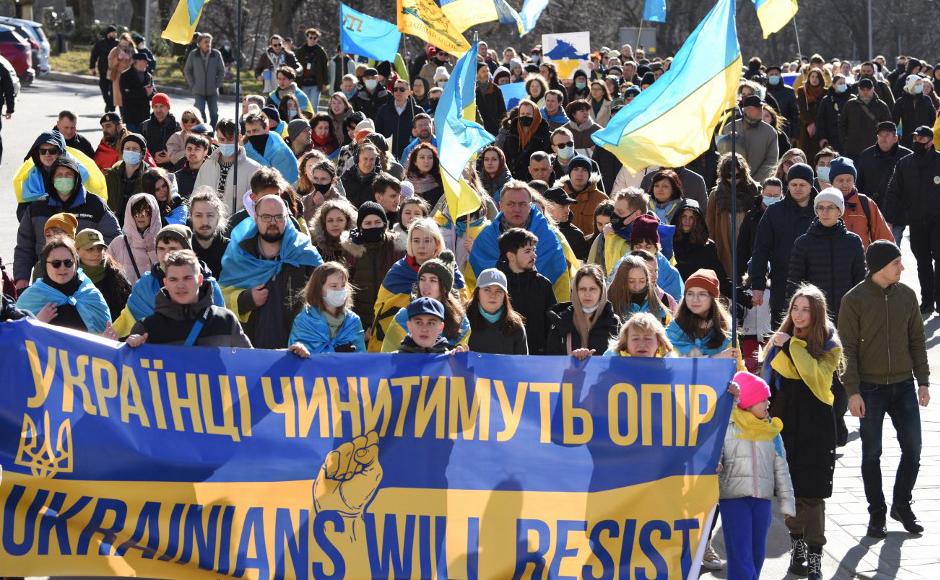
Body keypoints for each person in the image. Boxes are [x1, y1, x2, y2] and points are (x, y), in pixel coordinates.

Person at [839, 240, 929, 538]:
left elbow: (917, 340)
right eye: (896, 263)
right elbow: (847, 350)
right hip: (869, 389)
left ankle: (901, 504)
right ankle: (876, 513)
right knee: (871, 454)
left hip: (903, 385)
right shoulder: (854, 300)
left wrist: (923, 381)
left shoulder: (907, 295)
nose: (902, 268)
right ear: (879, 267)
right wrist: (852, 391)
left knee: (913, 449)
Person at [764, 285, 842, 580]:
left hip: (816, 425)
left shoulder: (831, 345)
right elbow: (775, 372)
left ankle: (815, 554)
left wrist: (790, 346)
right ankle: (796, 546)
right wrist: (783, 347)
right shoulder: (781, 339)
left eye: (805, 309)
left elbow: (815, 377)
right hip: (784, 422)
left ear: (817, 313)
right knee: (788, 491)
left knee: (813, 495)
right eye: (795, 308)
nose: (798, 315)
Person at [718, 371, 796, 580]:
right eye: (763, 399)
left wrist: (787, 504)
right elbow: (715, 455)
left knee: (757, 554)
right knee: (740, 556)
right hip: (733, 501)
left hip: (762, 501)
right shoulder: (728, 427)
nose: (768, 403)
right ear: (748, 402)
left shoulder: (771, 432)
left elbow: (782, 468)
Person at [218, 195, 323, 349]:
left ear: (287, 217)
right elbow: (220, 297)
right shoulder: (240, 252)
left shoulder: (304, 252)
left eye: (279, 217)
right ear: (256, 217)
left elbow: (324, 297)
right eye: (266, 217)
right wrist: (246, 299)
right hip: (250, 352)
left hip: (297, 350)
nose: (273, 222)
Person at [15, 157, 120, 289]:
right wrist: (21, 278)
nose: (63, 178)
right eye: (59, 175)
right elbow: (24, 247)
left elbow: (114, 239)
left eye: (68, 175)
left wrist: (90, 255)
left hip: (89, 280)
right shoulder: (37, 207)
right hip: (45, 278)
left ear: (76, 178)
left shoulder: (95, 205)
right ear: (52, 179)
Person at [468, 180, 576, 303]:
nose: (517, 209)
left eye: (522, 204)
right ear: (500, 206)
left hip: (539, 312)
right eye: (511, 204)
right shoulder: (485, 238)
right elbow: (471, 283)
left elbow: (560, 278)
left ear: (530, 207)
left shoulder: (549, 237)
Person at [111, 224, 226, 336]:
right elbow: (126, 321)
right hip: (155, 353)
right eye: (161, 249)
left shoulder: (209, 286)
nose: (165, 254)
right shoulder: (145, 285)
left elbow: (221, 329)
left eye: (172, 249)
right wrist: (109, 337)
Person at [367, 218, 464, 351]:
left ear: (437, 243)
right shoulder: (398, 272)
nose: (421, 246)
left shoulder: (450, 269)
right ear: (410, 243)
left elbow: (461, 306)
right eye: (416, 240)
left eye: (427, 240)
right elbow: (381, 310)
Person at [125, 249, 250, 348]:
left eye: (187, 278)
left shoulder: (225, 320)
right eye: (173, 279)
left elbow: (250, 365)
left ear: (200, 280)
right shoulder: (147, 328)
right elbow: (129, 372)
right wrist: (133, 347)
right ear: (165, 283)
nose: (180, 285)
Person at [749, 163, 817, 328]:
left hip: (817, 282)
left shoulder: (822, 210)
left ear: (811, 185)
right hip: (782, 283)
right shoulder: (774, 212)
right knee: (782, 332)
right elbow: (761, 250)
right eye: (793, 184)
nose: (798, 188)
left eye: (802, 185)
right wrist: (758, 284)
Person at [885, 125, 940, 317]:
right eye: (915, 139)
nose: (917, 142)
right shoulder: (904, 164)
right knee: (923, 261)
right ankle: (927, 301)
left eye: (922, 140)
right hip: (916, 221)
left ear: (931, 141)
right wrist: (889, 218)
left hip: (938, 221)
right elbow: (894, 191)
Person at [787, 188, 866, 319]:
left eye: (830, 207)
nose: (825, 212)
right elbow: (795, 283)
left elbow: (860, 280)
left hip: (847, 313)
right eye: (820, 207)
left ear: (839, 211)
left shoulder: (853, 241)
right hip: (814, 314)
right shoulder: (804, 242)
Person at [16, 235, 111, 336]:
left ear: (76, 263)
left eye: (68, 263)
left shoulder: (89, 293)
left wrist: (107, 340)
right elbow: (16, 339)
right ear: (45, 265)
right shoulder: (32, 297)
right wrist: (36, 323)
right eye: (56, 263)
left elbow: (105, 338)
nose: (62, 268)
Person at [380, 250, 469, 352]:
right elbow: (387, 359)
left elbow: (460, 363)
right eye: (422, 279)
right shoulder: (403, 316)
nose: (426, 285)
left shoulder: (461, 322)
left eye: (433, 280)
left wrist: (459, 355)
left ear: (445, 287)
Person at [341, 201, 405, 343]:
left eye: (377, 222)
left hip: (392, 319)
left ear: (384, 223)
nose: (373, 226)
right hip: (360, 321)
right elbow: (346, 287)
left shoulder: (397, 247)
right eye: (367, 223)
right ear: (360, 226)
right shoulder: (352, 250)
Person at [495, 228, 556, 355]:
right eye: (527, 251)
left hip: (537, 360)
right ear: (511, 256)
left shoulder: (543, 285)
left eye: (534, 250)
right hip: (503, 360)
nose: (534, 255)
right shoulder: (496, 286)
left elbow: (552, 326)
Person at [287, 261, 365, 357]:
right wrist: (299, 349)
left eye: (343, 285)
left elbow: (361, 360)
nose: (340, 290)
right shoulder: (304, 320)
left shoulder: (353, 321)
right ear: (319, 289)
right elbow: (293, 358)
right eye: (334, 286)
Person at [546, 263, 620, 358]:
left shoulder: (613, 322)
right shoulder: (561, 321)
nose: (587, 294)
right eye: (582, 289)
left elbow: (619, 359)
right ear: (575, 291)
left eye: (592, 289)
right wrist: (573, 361)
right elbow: (552, 361)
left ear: (602, 291)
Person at [665, 269, 741, 362]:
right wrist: (717, 358)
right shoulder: (674, 329)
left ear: (713, 299)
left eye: (702, 294)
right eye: (690, 294)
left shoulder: (727, 331)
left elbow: (738, 368)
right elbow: (676, 365)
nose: (695, 299)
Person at [707, 153, 760, 277]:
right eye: (728, 176)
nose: (733, 179)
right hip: (726, 243)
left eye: (737, 175)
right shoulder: (716, 194)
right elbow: (710, 225)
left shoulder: (754, 191)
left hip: (749, 243)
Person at [193, 119, 261, 213]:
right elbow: (196, 195)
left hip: (239, 225)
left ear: (239, 138)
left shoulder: (254, 169)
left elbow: (256, 204)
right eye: (221, 139)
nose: (225, 143)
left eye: (230, 139)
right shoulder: (207, 165)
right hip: (209, 223)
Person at [827, 156, 894, 248]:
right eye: (840, 180)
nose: (845, 184)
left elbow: (883, 236)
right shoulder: (824, 203)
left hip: (862, 260)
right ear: (832, 182)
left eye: (849, 180)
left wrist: (892, 259)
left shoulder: (866, 203)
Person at [672, 200, 730, 296]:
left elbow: (721, 280)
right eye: (684, 216)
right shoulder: (669, 243)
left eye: (691, 218)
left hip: (698, 297)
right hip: (675, 297)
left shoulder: (707, 247)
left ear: (697, 221)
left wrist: (743, 297)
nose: (687, 221)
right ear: (678, 218)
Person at [465, 268, 528, 354]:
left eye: (499, 291)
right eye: (487, 290)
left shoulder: (515, 325)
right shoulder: (463, 320)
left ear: (504, 296)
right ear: (477, 293)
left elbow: (522, 363)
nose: (493, 295)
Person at [74, 228, 131, 321]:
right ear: (77, 250)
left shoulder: (116, 274)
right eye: (90, 249)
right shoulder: (69, 276)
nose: (96, 253)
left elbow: (128, 308)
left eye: (100, 249)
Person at [737, 177, 784, 285]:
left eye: (776, 196)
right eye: (768, 195)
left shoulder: (787, 215)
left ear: (781, 194)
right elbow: (742, 248)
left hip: (779, 272)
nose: (772, 198)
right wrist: (739, 278)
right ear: (762, 193)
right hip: (754, 271)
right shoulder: (751, 216)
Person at [856, 121, 911, 212]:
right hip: (870, 210)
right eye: (880, 135)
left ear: (895, 138)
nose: (883, 138)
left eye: (887, 135)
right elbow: (859, 183)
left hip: (897, 212)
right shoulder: (866, 155)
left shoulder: (907, 156)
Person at [107, 193, 161, 284]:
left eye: (146, 212)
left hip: (155, 297)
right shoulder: (118, 243)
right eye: (136, 212)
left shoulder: (163, 243)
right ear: (130, 214)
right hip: (127, 297)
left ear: (154, 214)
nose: (140, 215)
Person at [722, 95, 778, 181]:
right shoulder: (730, 128)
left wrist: (754, 181)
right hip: (732, 183)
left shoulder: (770, 132)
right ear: (746, 110)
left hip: (759, 186)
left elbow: (771, 161)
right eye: (756, 107)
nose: (760, 110)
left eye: (761, 107)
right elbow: (723, 157)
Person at [496, 100, 552, 181]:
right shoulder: (510, 133)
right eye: (522, 114)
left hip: (537, 179)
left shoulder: (545, 135)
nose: (525, 116)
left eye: (528, 114)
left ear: (535, 115)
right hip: (514, 180)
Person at [607, 254, 671, 325]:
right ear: (622, 280)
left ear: (647, 280)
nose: (637, 286)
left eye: (642, 281)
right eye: (631, 281)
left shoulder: (657, 305)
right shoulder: (609, 302)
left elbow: (666, 329)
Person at [839, 78, 892, 159]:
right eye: (862, 89)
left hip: (875, 151)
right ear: (858, 90)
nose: (865, 92)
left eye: (868, 89)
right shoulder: (850, 105)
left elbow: (888, 127)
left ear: (873, 89)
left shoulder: (882, 106)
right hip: (852, 151)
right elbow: (842, 125)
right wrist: (845, 143)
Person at [242, 112, 300, 184]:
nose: (252, 135)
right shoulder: (244, 150)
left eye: (255, 131)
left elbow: (292, 177)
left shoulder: (281, 149)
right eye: (248, 132)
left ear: (266, 128)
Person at [557, 155, 608, 236]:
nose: (580, 174)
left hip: (591, 246)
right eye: (576, 169)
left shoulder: (601, 199)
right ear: (570, 173)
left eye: (584, 170)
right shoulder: (557, 195)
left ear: (589, 174)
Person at [375, 78, 425, 161]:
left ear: (409, 92)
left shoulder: (418, 111)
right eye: (395, 89)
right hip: (388, 156)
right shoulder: (383, 110)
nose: (398, 92)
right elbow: (377, 133)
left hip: (412, 156)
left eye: (402, 89)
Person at [183, 33, 225, 128]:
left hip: (213, 90)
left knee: (214, 114)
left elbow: (222, 70)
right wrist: (192, 84)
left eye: (209, 41)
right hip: (198, 90)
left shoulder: (216, 54)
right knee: (200, 112)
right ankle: (205, 129)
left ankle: (212, 129)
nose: (208, 44)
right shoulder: (193, 54)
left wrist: (218, 84)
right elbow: (187, 70)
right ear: (199, 43)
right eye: (206, 41)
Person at [396, 297, 463, 354]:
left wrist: (461, 365)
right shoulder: (393, 362)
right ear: (409, 326)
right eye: (418, 323)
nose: (424, 329)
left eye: (431, 323)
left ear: (441, 327)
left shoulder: (450, 361)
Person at [187, 188, 230, 278]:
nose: (205, 222)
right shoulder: (184, 249)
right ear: (191, 217)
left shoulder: (233, 250)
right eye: (198, 215)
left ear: (218, 217)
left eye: (210, 215)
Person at [105, 133, 148, 221]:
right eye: (127, 149)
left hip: (139, 224)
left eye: (135, 149)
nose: (131, 152)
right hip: (114, 222)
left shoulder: (149, 176)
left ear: (142, 153)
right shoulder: (111, 175)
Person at [544, 186, 589, 260]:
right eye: (562, 206)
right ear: (548, 207)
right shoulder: (536, 229)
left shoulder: (576, 235)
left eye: (568, 206)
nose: (567, 211)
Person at [604, 312, 673, 357]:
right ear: (626, 342)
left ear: (658, 341)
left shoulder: (670, 362)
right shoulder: (611, 359)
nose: (642, 344)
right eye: (635, 339)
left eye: (647, 338)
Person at [893, 75, 936, 148]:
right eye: (917, 84)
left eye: (920, 84)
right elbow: (894, 121)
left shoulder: (926, 99)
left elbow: (933, 118)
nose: (920, 86)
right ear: (910, 85)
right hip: (907, 139)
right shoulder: (901, 102)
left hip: (925, 139)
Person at [310, 198, 356, 263]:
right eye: (330, 220)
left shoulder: (357, 250)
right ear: (324, 224)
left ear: (348, 222)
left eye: (340, 220)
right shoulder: (316, 252)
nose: (335, 224)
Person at [815, 74, 852, 154]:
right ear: (833, 85)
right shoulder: (826, 100)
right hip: (832, 138)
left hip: (849, 138)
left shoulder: (851, 98)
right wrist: (822, 137)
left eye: (844, 83)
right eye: (840, 83)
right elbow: (820, 120)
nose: (842, 85)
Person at [294, 28, 329, 111]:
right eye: (310, 37)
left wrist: (325, 83)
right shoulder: (300, 51)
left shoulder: (321, 52)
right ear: (307, 38)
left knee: (313, 106)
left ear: (317, 39)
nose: (312, 40)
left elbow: (325, 68)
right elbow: (295, 66)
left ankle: (314, 123)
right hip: (302, 82)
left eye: (314, 38)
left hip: (316, 83)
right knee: (303, 105)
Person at [796, 69, 826, 163]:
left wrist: (816, 123)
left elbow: (825, 111)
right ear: (808, 78)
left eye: (817, 77)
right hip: (805, 127)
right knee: (806, 153)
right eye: (812, 76)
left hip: (820, 126)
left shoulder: (825, 92)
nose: (814, 79)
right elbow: (802, 109)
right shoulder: (802, 90)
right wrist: (809, 123)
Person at [119, 53, 153, 133]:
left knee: (144, 141)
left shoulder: (148, 76)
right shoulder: (125, 75)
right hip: (131, 116)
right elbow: (126, 94)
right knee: (133, 140)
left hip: (145, 116)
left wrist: (151, 93)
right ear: (136, 62)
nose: (146, 64)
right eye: (144, 61)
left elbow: (152, 93)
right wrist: (144, 91)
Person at [404, 142, 444, 209]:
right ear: (415, 162)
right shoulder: (407, 183)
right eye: (422, 157)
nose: (426, 161)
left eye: (430, 157)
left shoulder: (441, 183)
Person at [342, 141, 380, 208]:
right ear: (357, 159)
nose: (368, 163)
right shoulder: (345, 178)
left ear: (376, 161)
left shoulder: (380, 182)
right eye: (365, 159)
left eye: (372, 159)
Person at [766, 64, 799, 140]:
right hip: (766, 131)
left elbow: (795, 114)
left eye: (776, 74)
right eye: (771, 74)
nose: (774, 76)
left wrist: (794, 135)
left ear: (780, 76)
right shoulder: (763, 91)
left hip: (785, 132)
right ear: (767, 76)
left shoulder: (789, 92)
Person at [90, 26, 119, 112]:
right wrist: (92, 67)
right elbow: (94, 55)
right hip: (103, 70)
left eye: (115, 33)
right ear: (108, 34)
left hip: (114, 71)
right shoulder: (100, 44)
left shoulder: (118, 44)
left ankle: (112, 106)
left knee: (113, 90)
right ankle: (109, 103)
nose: (114, 34)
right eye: (112, 32)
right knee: (103, 88)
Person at [108, 33, 136, 112]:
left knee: (129, 96)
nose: (124, 45)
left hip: (130, 76)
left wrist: (130, 60)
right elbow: (110, 64)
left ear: (129, 42)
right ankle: (123, 115)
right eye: (122, 42)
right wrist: (118, 58)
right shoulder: (114, 50)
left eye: (126, 43)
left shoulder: (133, 50)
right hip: (118, 76)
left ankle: (128, 114)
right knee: (120, 98)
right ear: (120, 41)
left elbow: (137, 63)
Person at [476, 63, 506, 137]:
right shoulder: (472, 91)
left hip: (495, 131)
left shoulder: (496, 89)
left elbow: (502, 111)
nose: (486, 73)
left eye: (487, 71)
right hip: (478, 131)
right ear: (477, 74)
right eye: (483, 71)